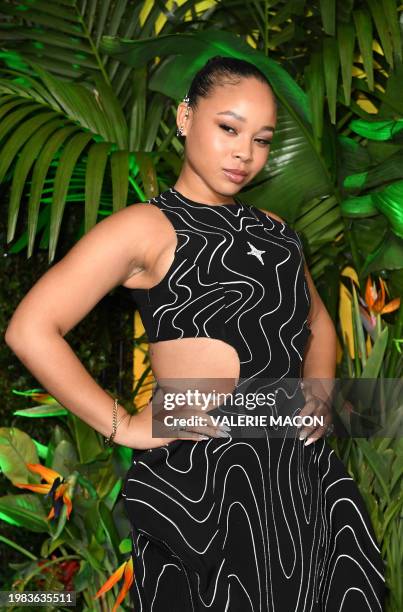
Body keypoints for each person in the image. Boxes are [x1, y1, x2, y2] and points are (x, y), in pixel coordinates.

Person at [5, 55, 385, 611]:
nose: (243, 154)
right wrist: (124, 426)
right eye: (228, 128)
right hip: (203, 489)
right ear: (185, 116)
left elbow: (318, 321)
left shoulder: (276, 231)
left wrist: (319, 394)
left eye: (261, 140)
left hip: (300, 478)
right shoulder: (145, 226)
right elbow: (31, 328)